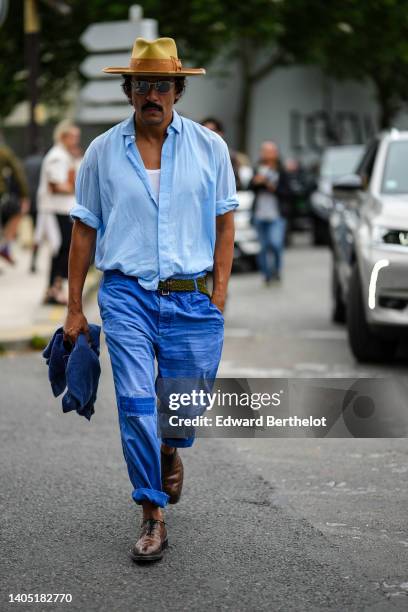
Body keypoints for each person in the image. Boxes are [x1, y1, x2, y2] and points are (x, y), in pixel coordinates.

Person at [63, 37, 237, 562]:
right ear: (129, 91)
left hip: (190, 298)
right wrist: (74, 307)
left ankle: (168, 450)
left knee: (179, 412)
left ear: (179, 90)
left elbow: (225, 224)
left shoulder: (212, 149)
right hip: (125, 295)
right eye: (142, 85)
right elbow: (83, 230)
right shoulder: (101, 152)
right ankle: (152, 512)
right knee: (138, 405)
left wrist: (219, 299)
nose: (152, 94)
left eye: (162, 85)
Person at [37, 121, 81, 304]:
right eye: (73, 136)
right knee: (60, 250)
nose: (76, 140)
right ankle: (53, 290)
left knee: (63, 250)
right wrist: (75, 186)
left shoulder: (64, 155)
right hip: (56, 210)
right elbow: (56, 186)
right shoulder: (57, 156)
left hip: (63, 209)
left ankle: (55, 288)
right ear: (63, 137)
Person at [249, 141, 289, 284]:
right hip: (260, 214)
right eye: (264, 151)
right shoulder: (257, 168)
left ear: (276, 153)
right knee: (263, 247)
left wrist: (269, 185)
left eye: (270, 151)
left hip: (277, 214)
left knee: (276, 244)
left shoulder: (282, 171)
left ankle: (276, 270)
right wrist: (255, 182)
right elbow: (250, 188)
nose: (266, 154)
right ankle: (266, 275)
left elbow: (287, 192)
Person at [0, 132, 30, 266]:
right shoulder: (4, 152)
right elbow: (18, 173)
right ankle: (5, 245)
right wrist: (24, 195)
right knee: (17, 213)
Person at [24, 148, 45, 272]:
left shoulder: (27, 162)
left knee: (35, 232)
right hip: (42, 202)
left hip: (30, 200)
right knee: (40, 234)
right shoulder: (43, 161)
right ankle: (34, 260)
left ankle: (33, 261)